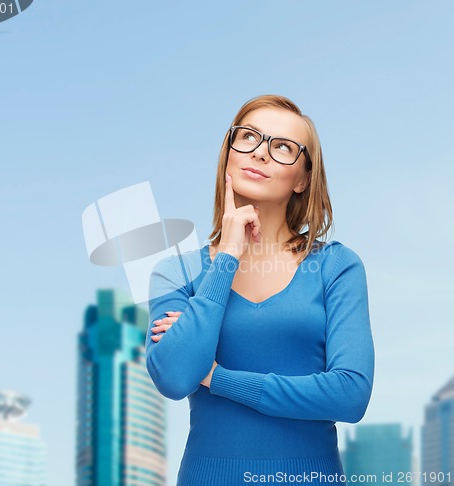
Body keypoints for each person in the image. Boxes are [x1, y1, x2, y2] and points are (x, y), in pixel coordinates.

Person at [145, 94, 375, 486]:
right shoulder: (176, 272)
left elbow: (350, 394)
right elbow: (175, 376)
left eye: (283, 147)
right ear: (228, 154)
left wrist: (219, 378)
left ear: (303, 178)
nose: (261, 154)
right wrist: (228, 256)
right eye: (249, 137)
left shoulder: (337, 266)